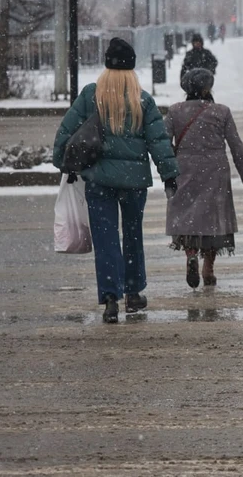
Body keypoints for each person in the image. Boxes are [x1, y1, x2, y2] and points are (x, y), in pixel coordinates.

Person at [52, 38, 179, 324]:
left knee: (106, 238)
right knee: (133, 236)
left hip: (99, 180)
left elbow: (65, 132)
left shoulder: (90, 95)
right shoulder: (142, 99)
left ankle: (110, 298)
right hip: (134, 183)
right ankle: (133, 293)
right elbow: (158, 141)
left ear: (107, 66)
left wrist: (64, 163)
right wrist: (169, 174)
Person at [164, 68, 243, 289]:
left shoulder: (175, 112)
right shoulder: (221, 112)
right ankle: (209, 268)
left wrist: (169, 168)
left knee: (188, 218)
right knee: (212, 221)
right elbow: (236, 146)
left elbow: (162, 143)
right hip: (215, 171)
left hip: (184, 169)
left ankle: (190, 254)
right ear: (208, 88)